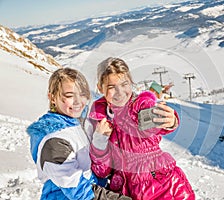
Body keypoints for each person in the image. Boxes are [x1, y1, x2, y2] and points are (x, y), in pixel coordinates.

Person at [89, 57, 195, 199]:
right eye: (111, 87)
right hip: (125, 192)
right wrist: (99, 141)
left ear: (131, 83)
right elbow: (102, 172)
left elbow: (154, 114)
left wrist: (171, 120)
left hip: (162, 188)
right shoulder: (99, 120)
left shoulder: (138, 106)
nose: (120, 92)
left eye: (124, 84)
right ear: (100, 88)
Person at [27, 67, 131, 200]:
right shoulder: (53, 140)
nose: (78, 101)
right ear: (52, 98)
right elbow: (78, 190)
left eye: (82, 94)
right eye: (70, 96)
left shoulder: (78, 122)